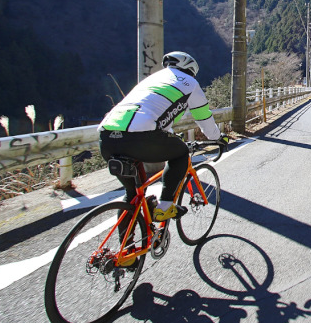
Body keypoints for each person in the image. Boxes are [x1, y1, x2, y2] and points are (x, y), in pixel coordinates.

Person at [98, 51, 228, 222]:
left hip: (106, 137)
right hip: (141, 136)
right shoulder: (191, 83)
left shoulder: (154, 79)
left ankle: (127, 247)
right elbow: (203, 117)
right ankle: (164, 207)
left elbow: (157, 119)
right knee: (180, 153)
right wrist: (217, 137)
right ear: (192, 70)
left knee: (132, 195)